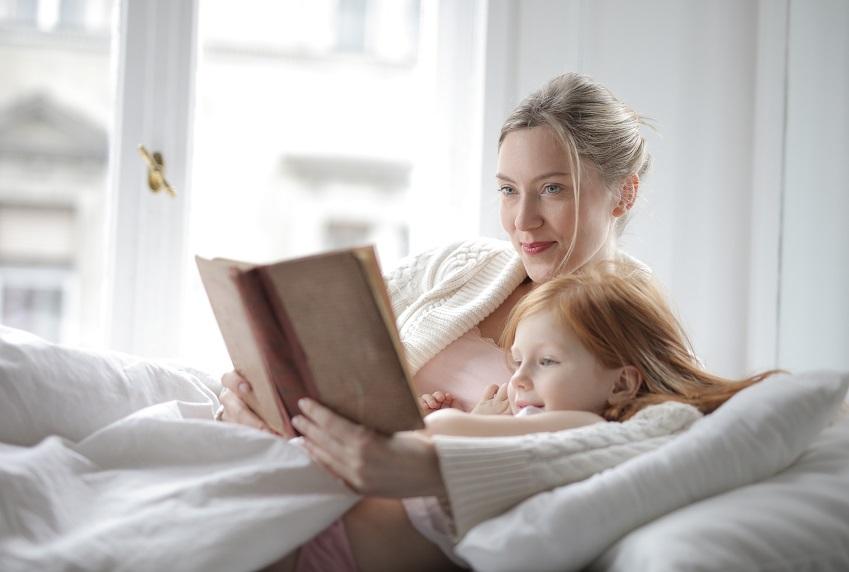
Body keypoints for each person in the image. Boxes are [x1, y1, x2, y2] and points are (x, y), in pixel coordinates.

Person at [217, 72, 683, 570]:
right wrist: (255, 402)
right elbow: (318, 363)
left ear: (623, 194)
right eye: (508, 190)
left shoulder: (632, 329)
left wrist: (437, 449)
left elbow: (661, 440)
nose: (522, 220)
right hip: (299, 477)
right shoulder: (460, 264)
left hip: (370, 533)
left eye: (551, 189)